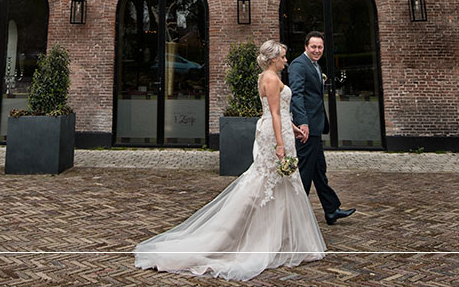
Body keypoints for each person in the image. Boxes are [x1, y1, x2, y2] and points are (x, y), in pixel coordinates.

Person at [134, 40, 325, 281]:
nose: (286, 60)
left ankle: (282, 239)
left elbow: (276, 113)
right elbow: (275, 113)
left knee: (278, 184)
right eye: (283, 57)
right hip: (275, 134)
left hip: (280, 129)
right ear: (273, 58)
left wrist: (293, 128)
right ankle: (255, 238)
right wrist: (280, 144)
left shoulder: (265, 76)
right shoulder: (272, 79)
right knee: (268, 183)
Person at [289, 31, 355, 224]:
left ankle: (331, 209)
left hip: (316, 126)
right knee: (304, 172)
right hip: (307, 128)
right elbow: (297, 95)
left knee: (319, 170)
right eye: (313, 47)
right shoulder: (298, 65)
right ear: (306, 47)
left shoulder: (315, 65)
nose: (317, 50)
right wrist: (303, 122)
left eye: (320, 47)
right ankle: (294, 214)